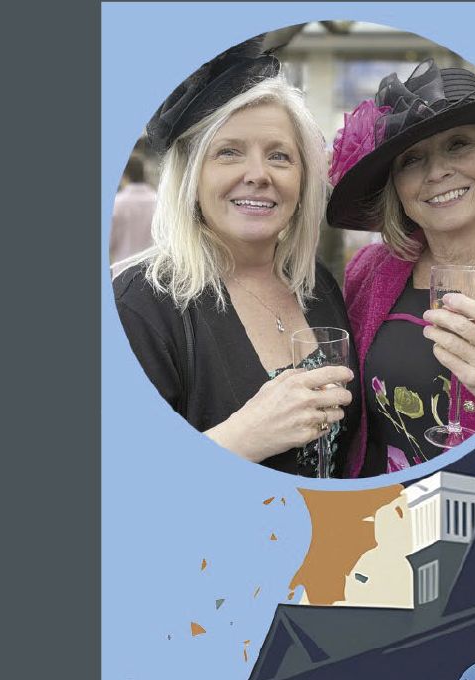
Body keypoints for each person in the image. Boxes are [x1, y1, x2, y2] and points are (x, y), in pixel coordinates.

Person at [115, 38, 356, 477]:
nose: (258, 175)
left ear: (302, 179)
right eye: (229, 152)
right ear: (191, 176)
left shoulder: (314, 282)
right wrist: (243, 436)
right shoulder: (139, 305)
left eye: (279, 156)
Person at [325, 61, 475, 475]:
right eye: (412, 159)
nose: (437, 172)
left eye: (458, 144)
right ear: (396, 187)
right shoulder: (367, 274)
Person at [110, 154, 159, 268]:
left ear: (124, 175)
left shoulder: (116, 203)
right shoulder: (158, 200)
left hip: (122, 270)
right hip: (152, 268)